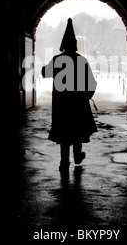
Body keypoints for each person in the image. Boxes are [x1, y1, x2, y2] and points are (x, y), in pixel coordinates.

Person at [42, 18, 97, 176]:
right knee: (78, 130)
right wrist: (86, 96)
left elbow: (45, 73)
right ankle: (78, 156)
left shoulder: (58, 60)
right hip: (78, 103)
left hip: (61, 104)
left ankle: (64, 162)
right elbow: (91, 84)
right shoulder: (82, 60)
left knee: (64, 133)